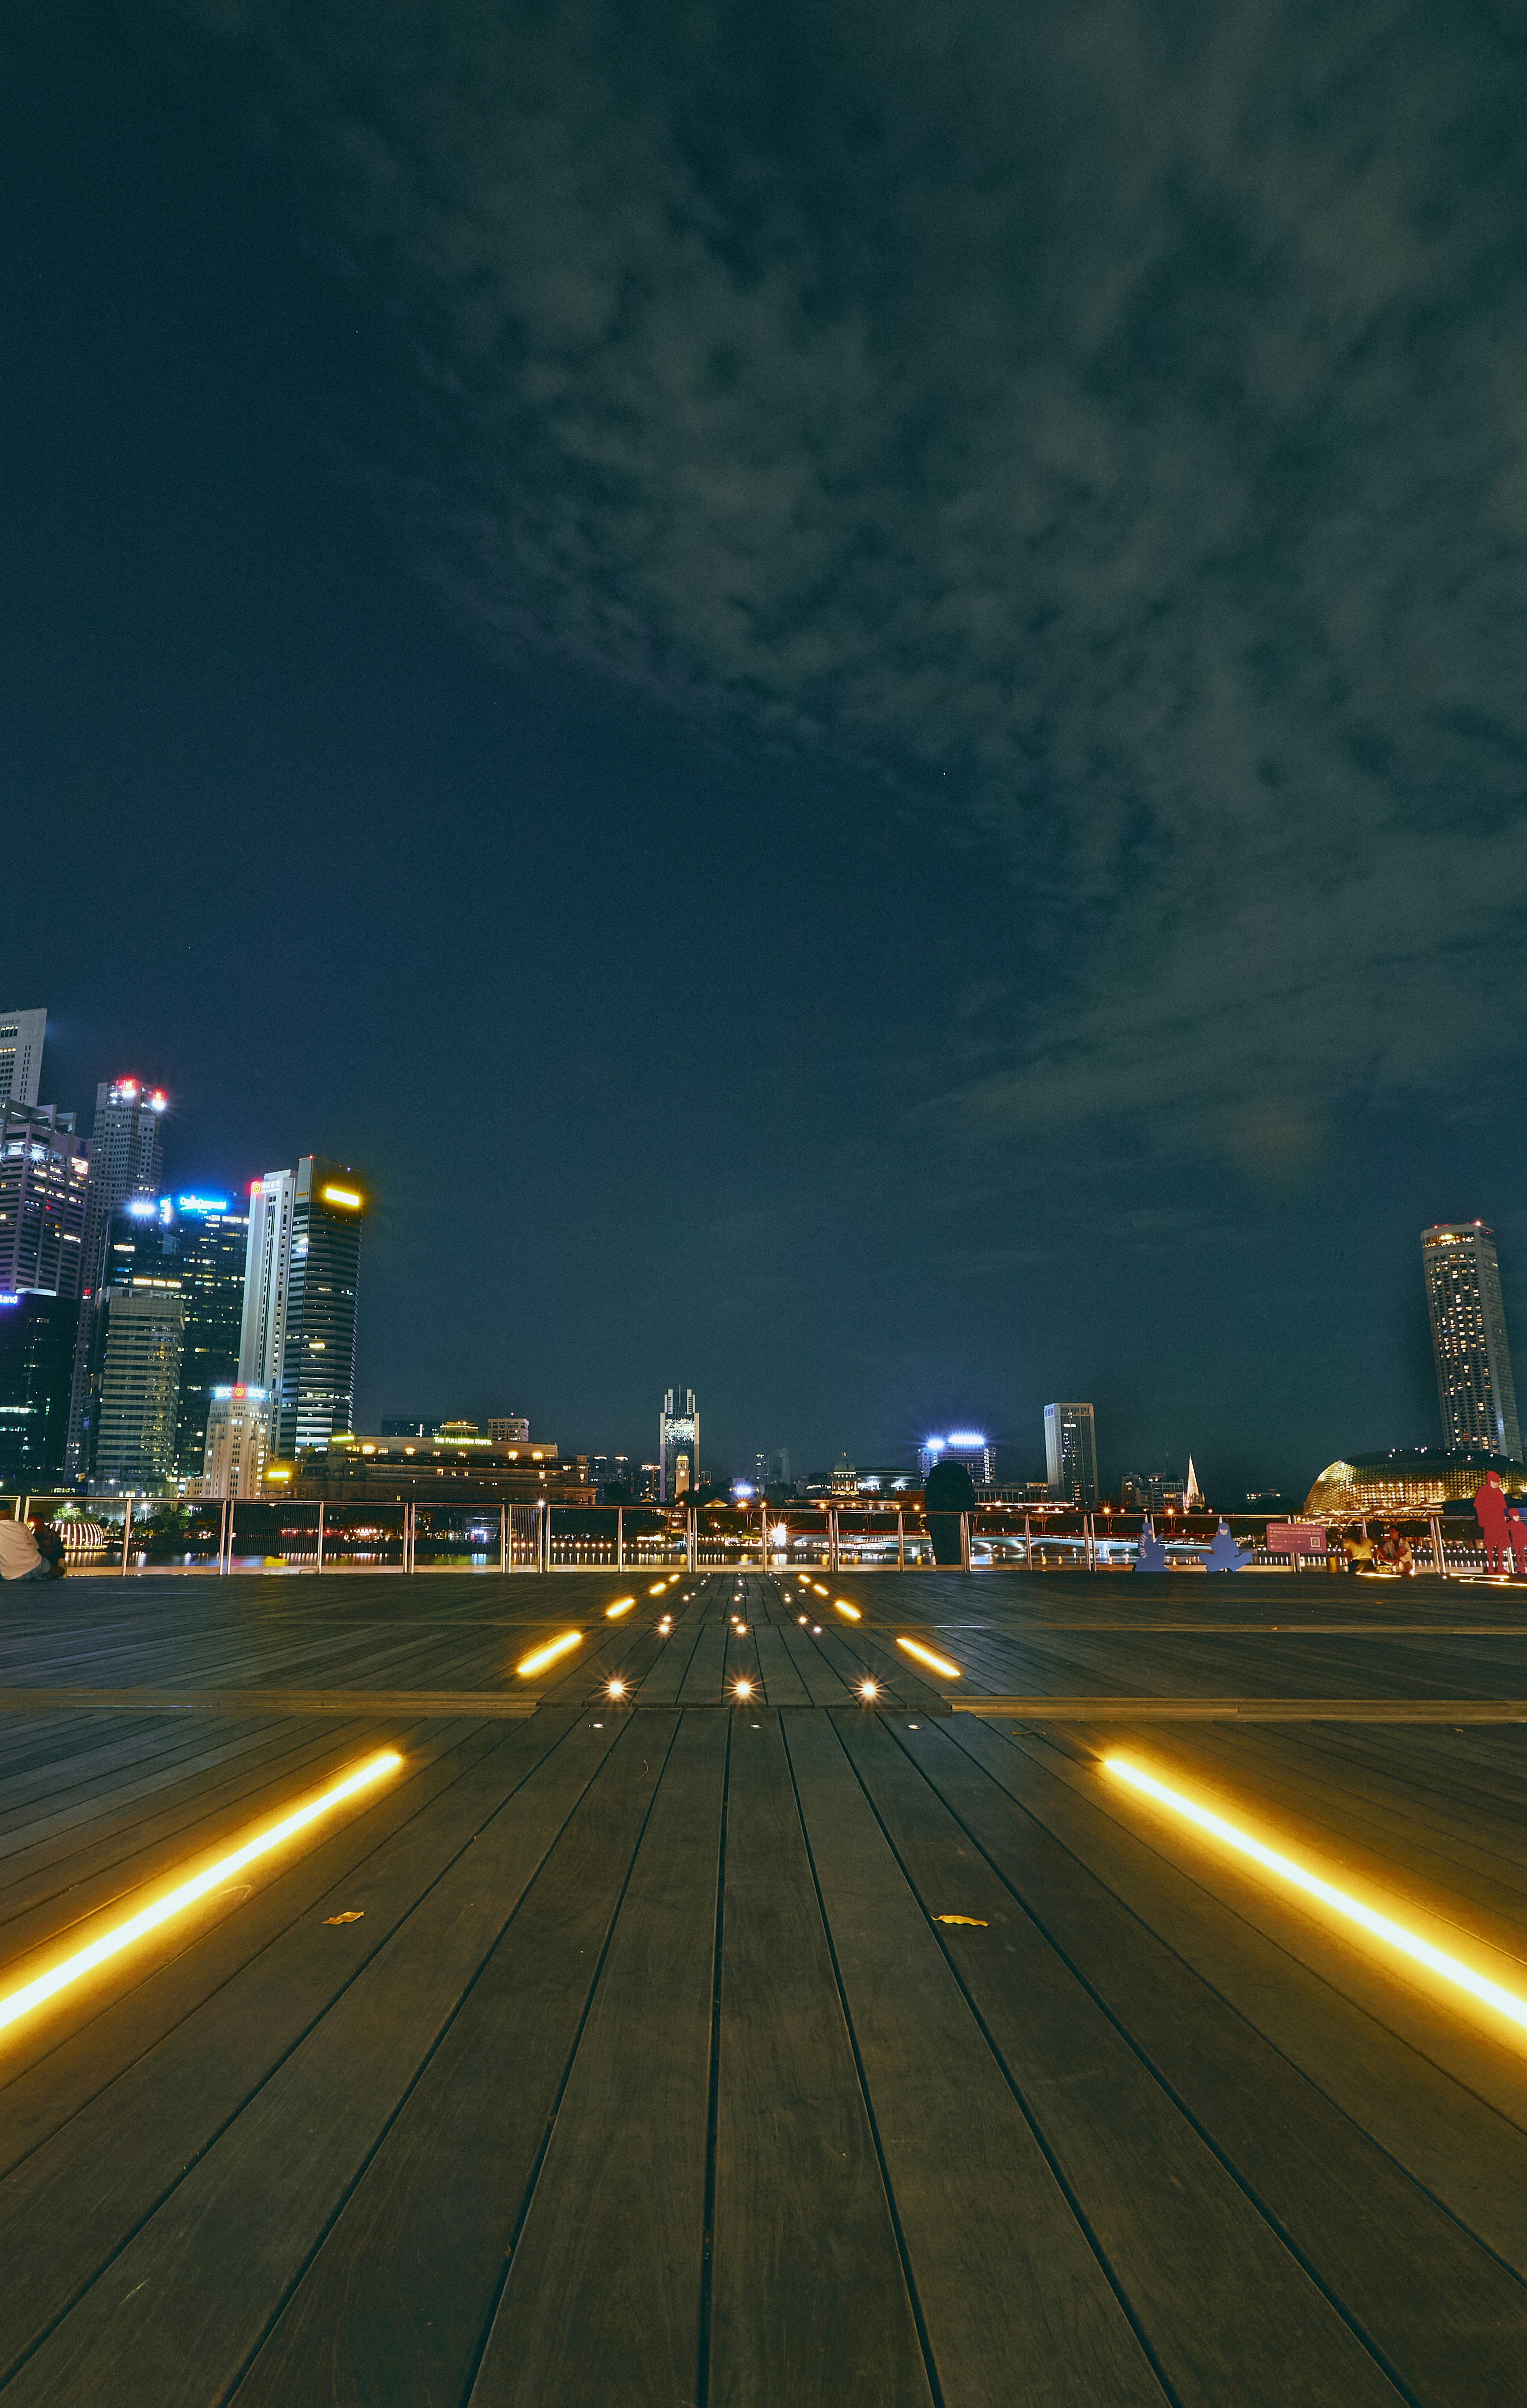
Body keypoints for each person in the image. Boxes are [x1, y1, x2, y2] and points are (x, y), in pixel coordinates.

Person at [0, 1516, 65, 1583]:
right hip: (34, 1565)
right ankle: (60, 1570)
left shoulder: (45, 1533)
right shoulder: (20, 1526)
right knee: (48, 1568)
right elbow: (36, 1547)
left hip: (9, 1574)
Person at [1474, 1473, 1511, 1574]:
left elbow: (1503, 1509)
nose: (1497, 1484)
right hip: (1489, 1522)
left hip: (1499, 1522)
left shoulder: (1498, 1492)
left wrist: (1504, 1522)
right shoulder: (1483, 1491)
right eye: (1496, 1482)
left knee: (1501, 1544)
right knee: (1490, 1545)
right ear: (1490, 1481)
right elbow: (1479, 1507)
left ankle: (1500, 1566)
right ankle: (1491, 1566)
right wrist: (1482, 1521)